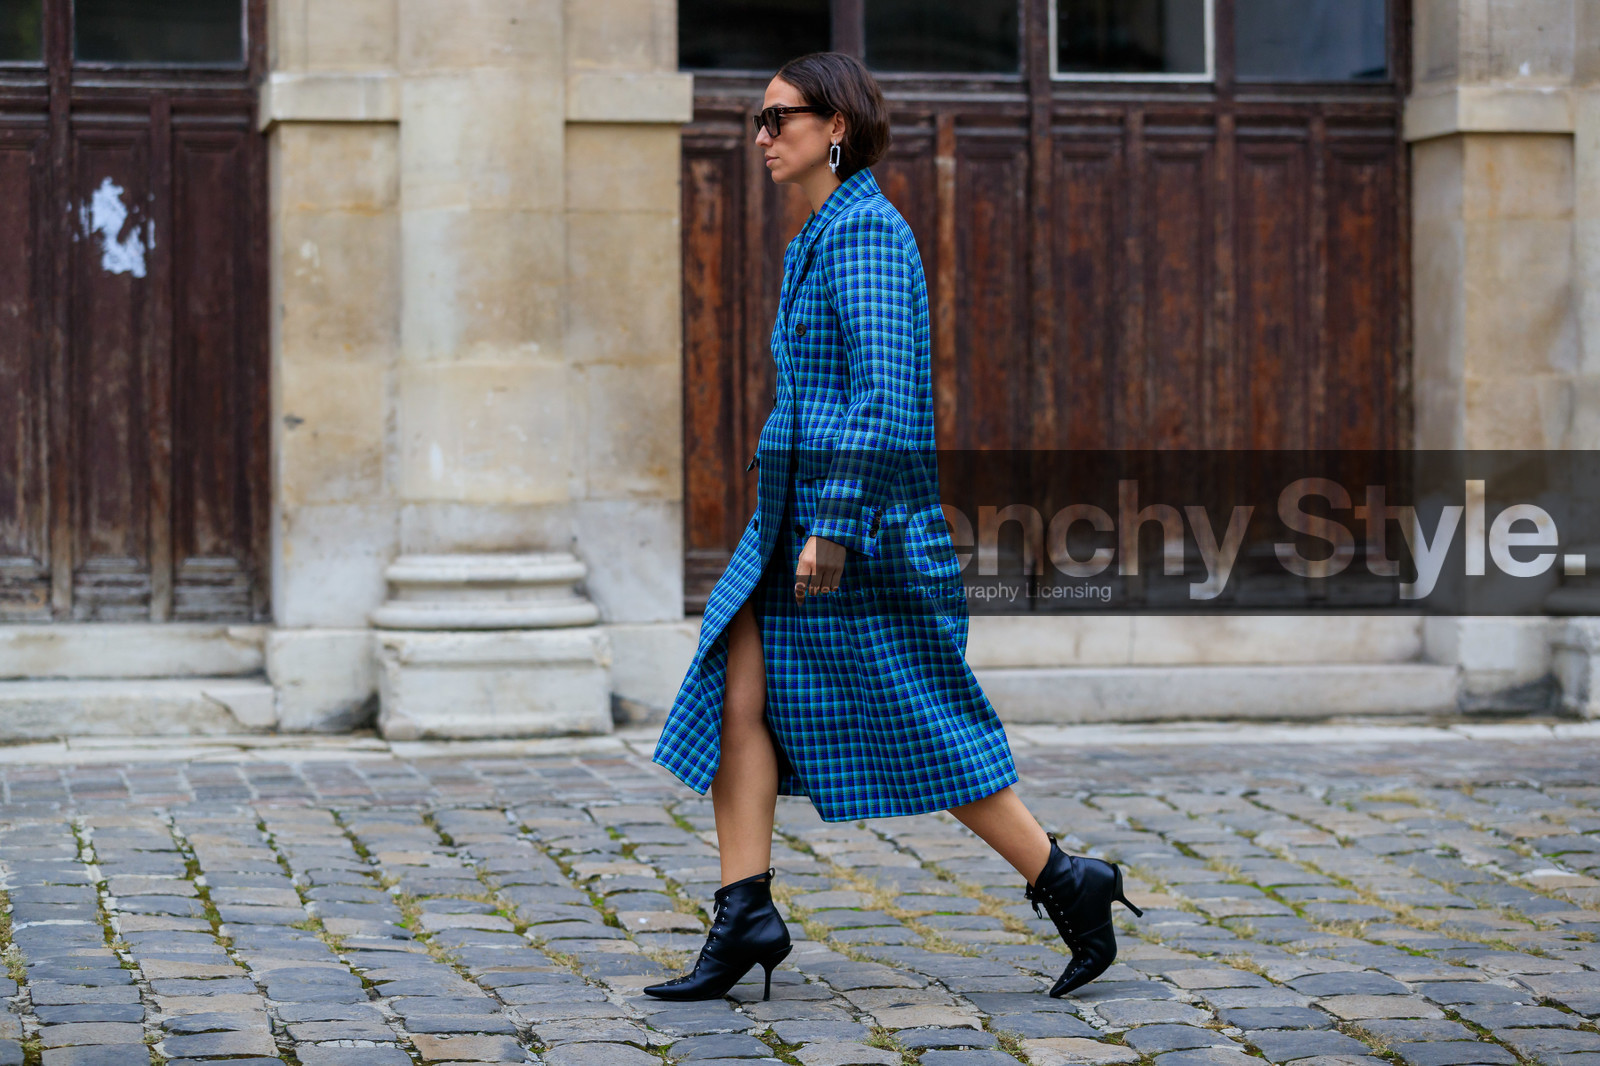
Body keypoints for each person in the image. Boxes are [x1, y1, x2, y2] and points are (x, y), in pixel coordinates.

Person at [644, 51, 1140, 1004]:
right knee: (734, 687)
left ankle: (1068, 879)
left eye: (776, 118)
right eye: (758, 119)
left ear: (835, 126)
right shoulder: (823, 233)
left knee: (917, 720)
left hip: (857, 523)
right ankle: (744, 908)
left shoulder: (866, 233)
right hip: (796, 511)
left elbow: (884, 399)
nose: (759, 136)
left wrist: (831, 529)